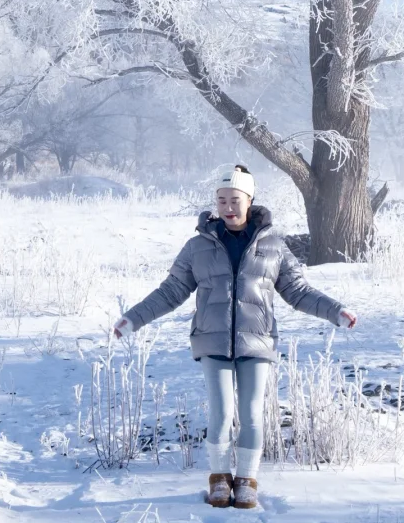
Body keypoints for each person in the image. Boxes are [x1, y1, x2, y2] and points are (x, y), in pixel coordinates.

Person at [113, 163, 358, 509]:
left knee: (253, 412)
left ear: (250, 200)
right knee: (222, 412)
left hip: (257, 341)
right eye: (222, 200)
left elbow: (299, 292)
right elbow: (169, 292)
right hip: (212, 341)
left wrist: (336, 311)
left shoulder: (273, 246)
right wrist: (132, 319)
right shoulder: (197, 247)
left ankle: (246, 479)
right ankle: (219, 479)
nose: (228, 207)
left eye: (235, 200)